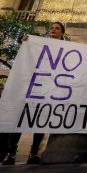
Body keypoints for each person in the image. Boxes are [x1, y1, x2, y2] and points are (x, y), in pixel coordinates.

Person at [2, 21, 66, 165]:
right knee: (20, 119)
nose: (53, 30)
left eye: (57, 28)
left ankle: (34, 152)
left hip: (49, 89)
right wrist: (25, 43)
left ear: (62, 32)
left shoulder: (68, 48)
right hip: (32, 87)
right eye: (52, 28)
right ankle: (11, 153)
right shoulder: (39, 44)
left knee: (39, 121)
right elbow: (28, 57)